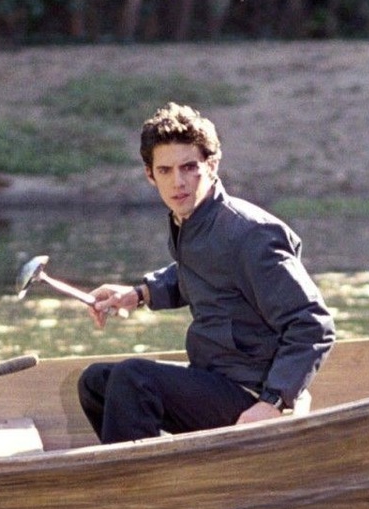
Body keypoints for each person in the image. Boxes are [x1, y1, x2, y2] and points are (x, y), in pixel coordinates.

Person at [77, 103, 334, 443]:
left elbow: (312, 323)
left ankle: (137, 477)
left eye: (189, 167)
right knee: (96, 382)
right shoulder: (192, 222)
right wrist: (140, 294)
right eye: (165, 170)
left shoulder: (250, 233)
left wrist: (273, 402)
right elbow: (202, 270)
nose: (178, 182)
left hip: (253, 393)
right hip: (214, 376)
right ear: (150, 175)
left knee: (133, 378)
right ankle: (151, 468)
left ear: (212, 166)